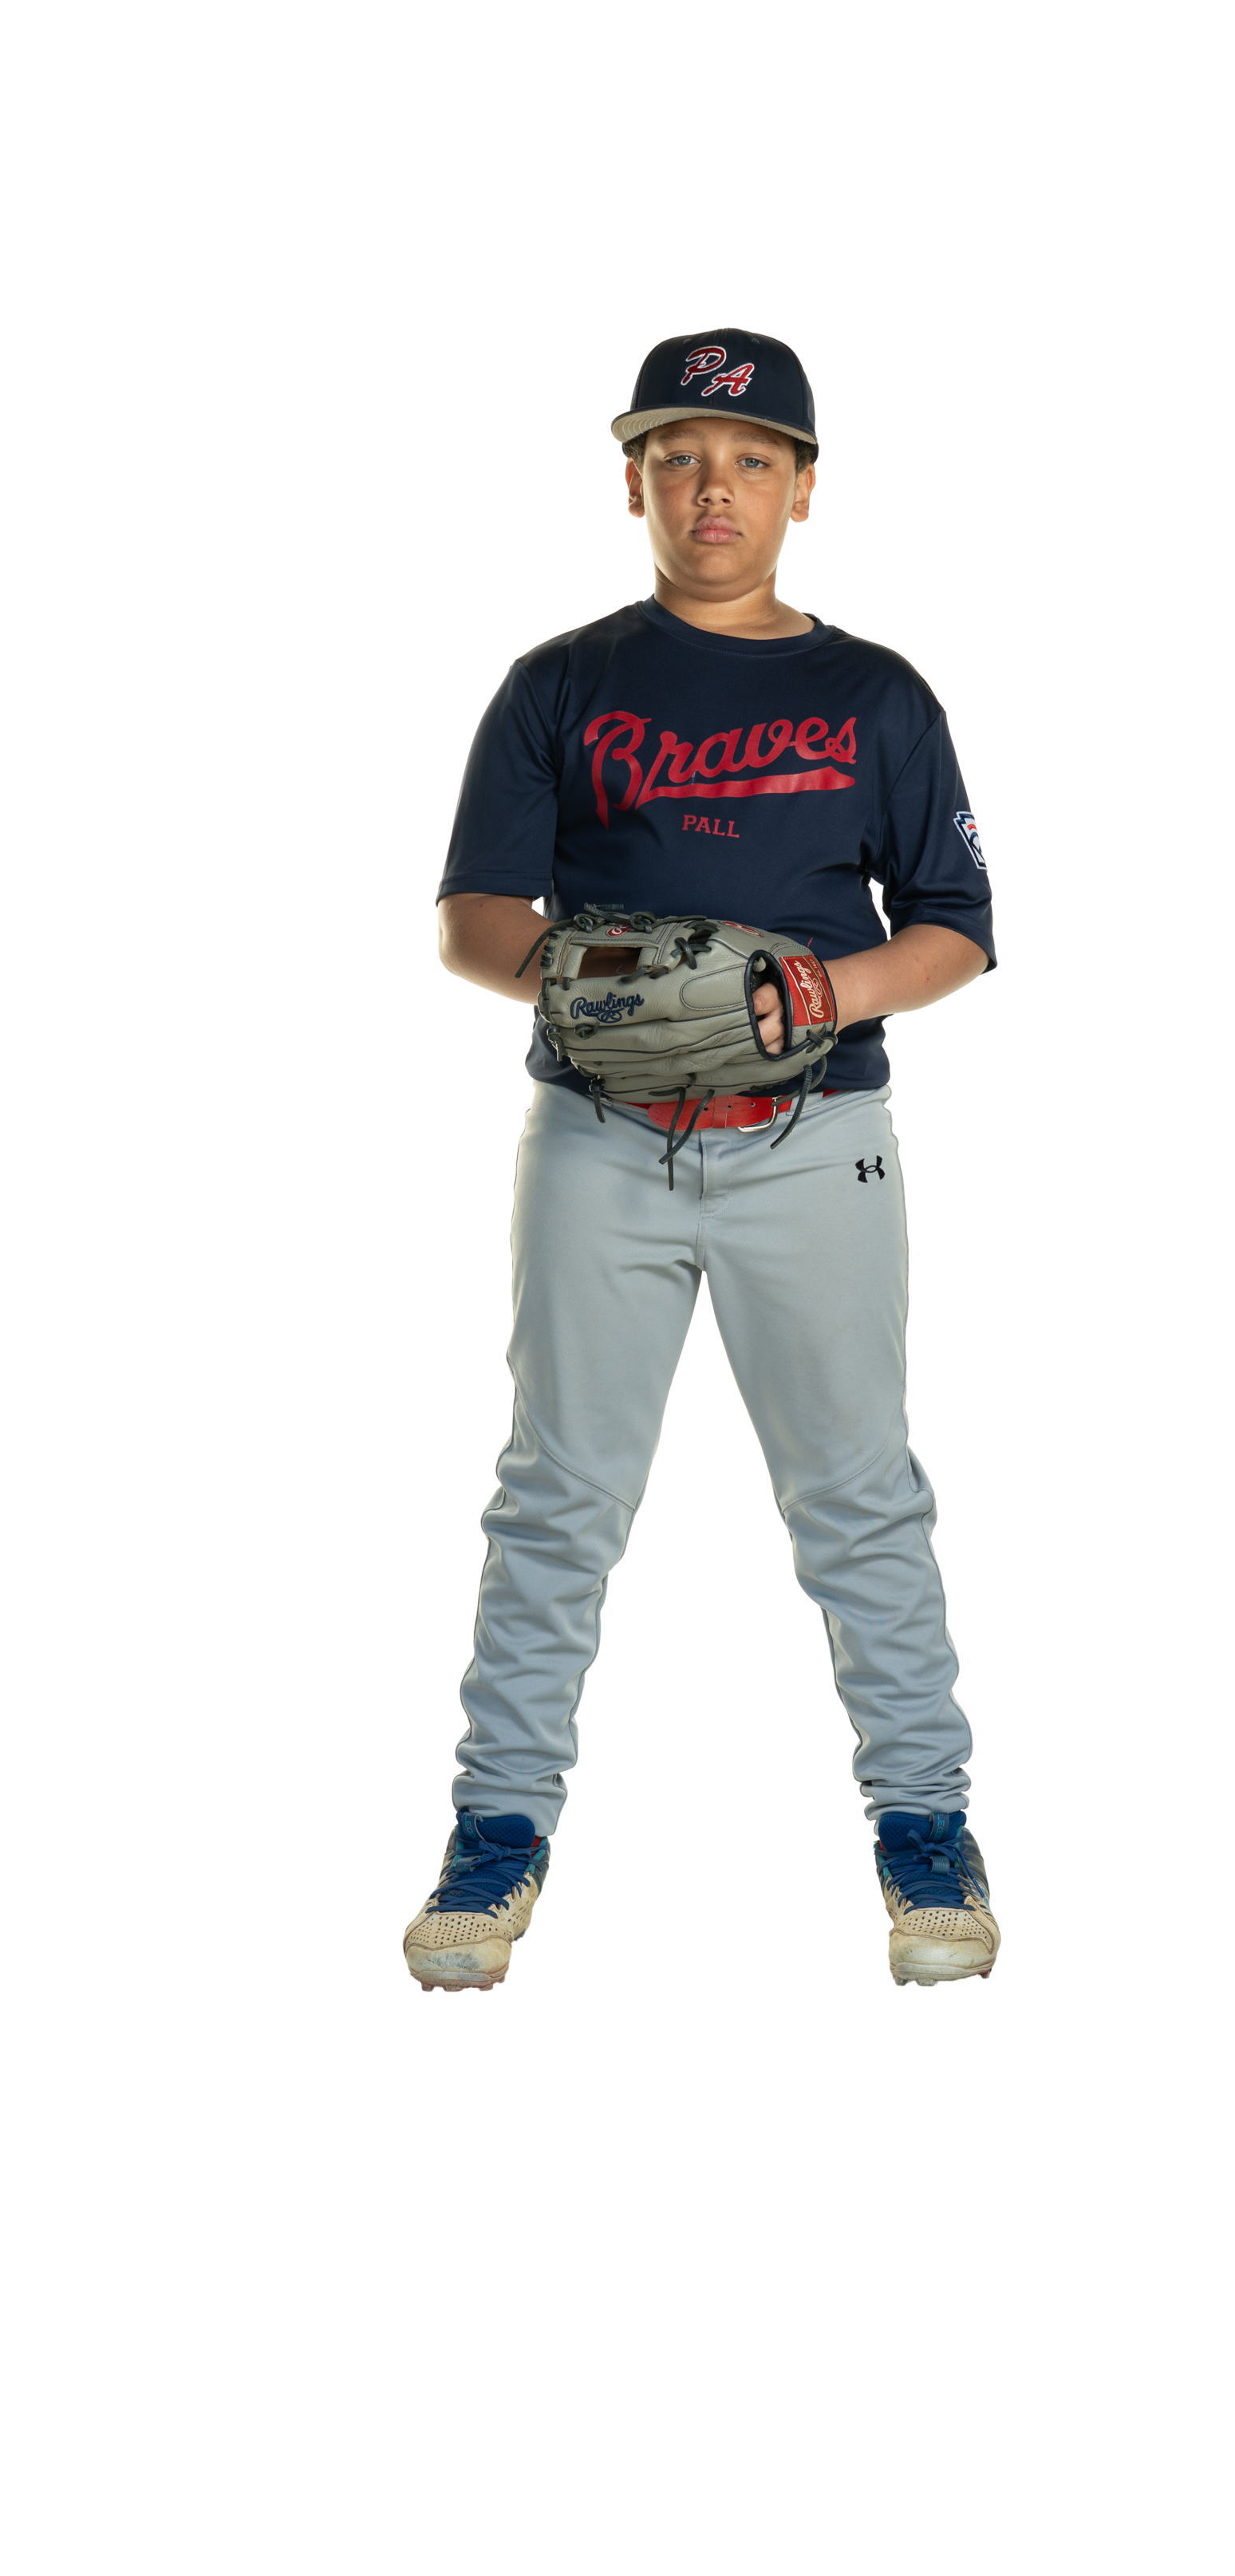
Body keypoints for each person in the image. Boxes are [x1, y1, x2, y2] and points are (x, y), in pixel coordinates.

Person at [404, 327, 1001, 1995]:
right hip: (600, 1141)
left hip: (818, 1141)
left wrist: (825, 992)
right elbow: (473, 918)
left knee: (860, 1496)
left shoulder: (878, 694)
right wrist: (604, 988)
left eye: (748, 460)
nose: (711, 487)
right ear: (634, 488)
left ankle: (926, 1826)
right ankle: (497, 1832)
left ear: (802, 490)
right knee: (557, 1495)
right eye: (677, 458)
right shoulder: (560, 681)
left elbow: (959, 926)